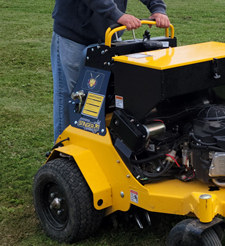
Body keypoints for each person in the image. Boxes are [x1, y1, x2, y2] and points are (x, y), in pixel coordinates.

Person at [51, 0, 170, 142]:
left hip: (109, 36)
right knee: (75, 98)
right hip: (75, 35)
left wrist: (158, 9)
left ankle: (98, 149)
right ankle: (63, 156)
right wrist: (116, 14)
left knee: (107, 98)